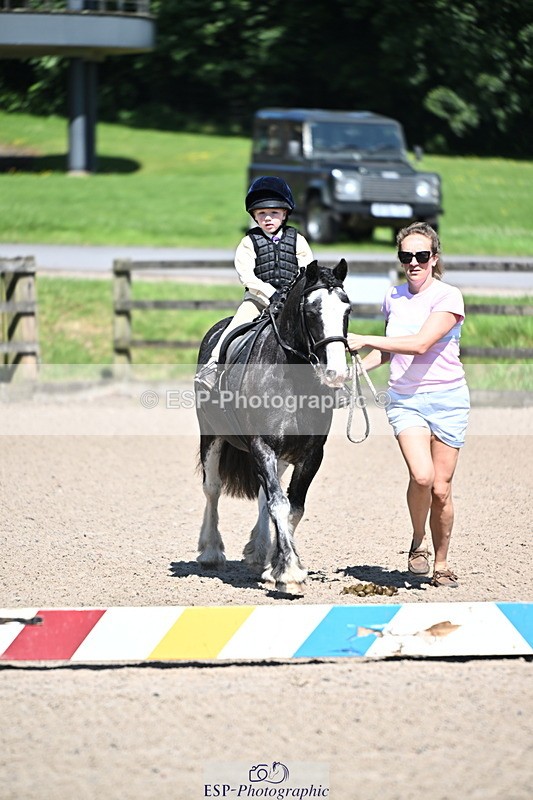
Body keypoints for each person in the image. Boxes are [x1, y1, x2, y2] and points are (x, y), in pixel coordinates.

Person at [347, 222, 469, 587]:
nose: (413, 262)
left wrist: (363, 338)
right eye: (406, 256)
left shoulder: (449, 297)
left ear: (434, 257)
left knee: (441, 488)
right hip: (406, 400)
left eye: (421, 256)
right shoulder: (393, 297)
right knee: (422, 476)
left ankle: (442, 563)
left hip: (448, 399)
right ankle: (418, 543)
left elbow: (418, 344)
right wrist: (350, 372)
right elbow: (387, 354)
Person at [195, 176, 314, 389]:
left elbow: (308, 270)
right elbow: (247, 276)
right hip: (258, 300)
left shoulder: (298, 240)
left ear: (285, 214)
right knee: (235, 326)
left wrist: (295, 293)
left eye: (274, 213)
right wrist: (270, 294)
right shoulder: (248, 242)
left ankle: (333, 380)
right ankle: (212, 367)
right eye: (262, 214)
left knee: (317, 330)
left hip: (293, 301)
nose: (268, 218)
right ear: (254, 216)